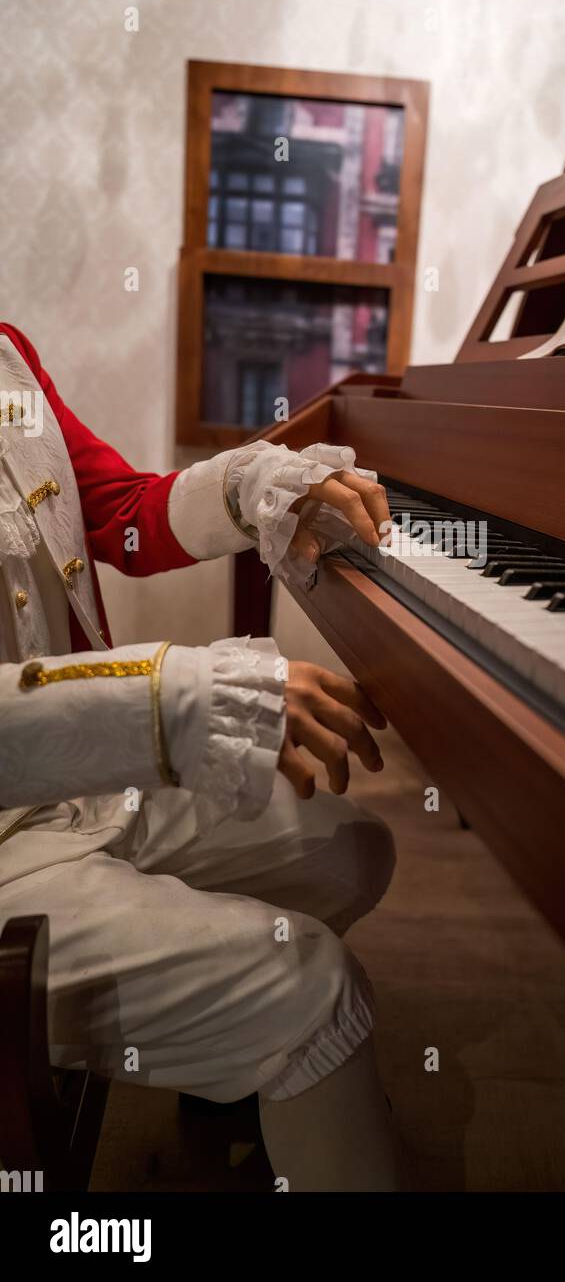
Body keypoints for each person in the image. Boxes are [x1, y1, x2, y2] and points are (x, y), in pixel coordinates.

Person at [0, 321, 399, 1191]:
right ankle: (274, 1047)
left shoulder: (7, 348)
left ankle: (244, 1082)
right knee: (313, 990)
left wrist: (257, 482)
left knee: (352, 850)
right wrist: (193, 698)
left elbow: (121, 512)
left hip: (79, 786)